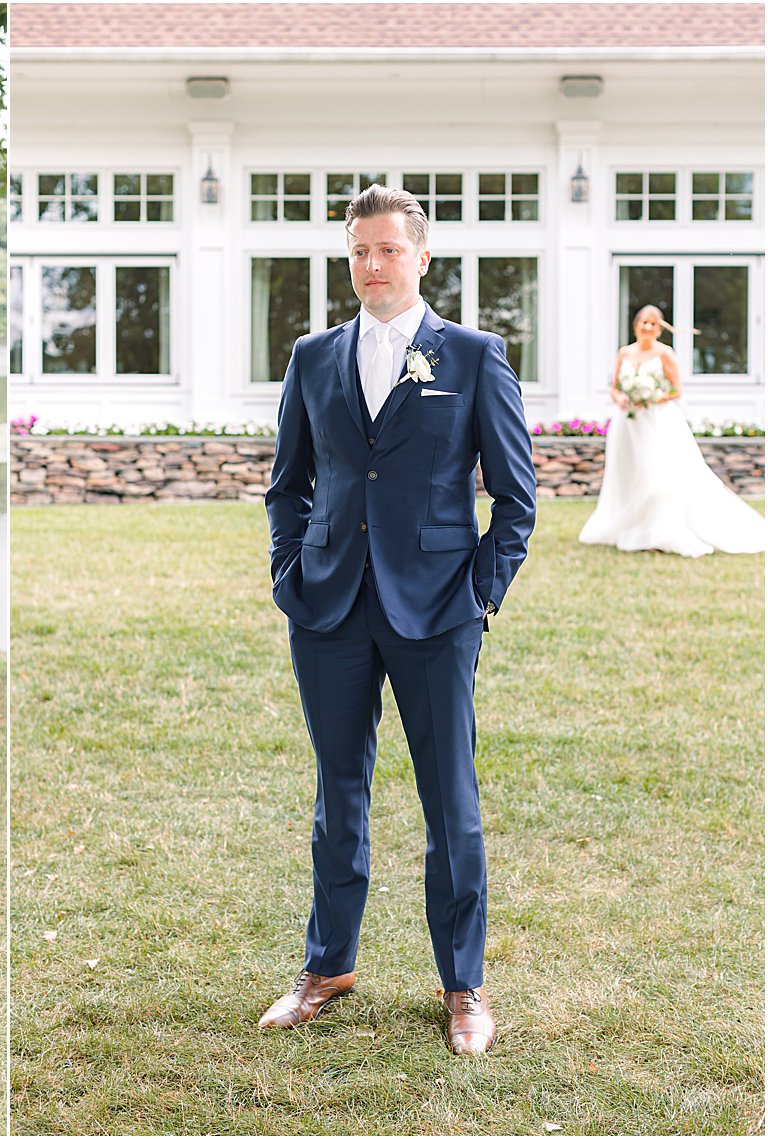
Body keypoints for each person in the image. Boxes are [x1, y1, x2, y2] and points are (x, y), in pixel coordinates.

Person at [261, 185, 538, 1055]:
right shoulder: (312, 356)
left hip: (436, 611)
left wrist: (479, 594)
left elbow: (516, 498)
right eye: (358, 252)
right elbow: (289, 484)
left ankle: (463, 984)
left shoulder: (473, 353)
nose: (371, 267)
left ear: (423, 256)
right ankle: (327, 964)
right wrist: (290, 572)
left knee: (447, 797)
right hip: (330, 605)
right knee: (337, 793)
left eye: (387, 250)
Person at [579, 305, 767, 556]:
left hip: (657, 422)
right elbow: (614, 387)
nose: (647, 327)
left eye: (653, 323)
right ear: (635, 325)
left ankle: (657, 532)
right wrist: (622, 398)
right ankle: (629, 527)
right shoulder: (624, 353)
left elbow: (676, 390)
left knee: (656, 476)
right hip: (627, 423)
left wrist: (652, 397)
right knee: (629, 473)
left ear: (659, 329)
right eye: (643, 322)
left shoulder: (665, 353)